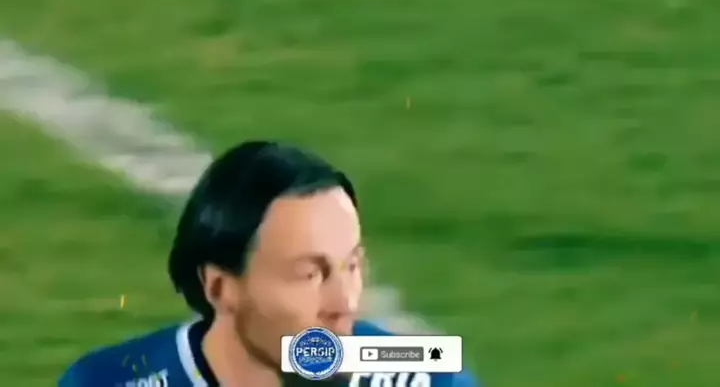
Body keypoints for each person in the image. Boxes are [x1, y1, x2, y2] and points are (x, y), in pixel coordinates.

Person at [58, 140, 480, 387]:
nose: (345, 303)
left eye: (351, 266)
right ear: (220, 288)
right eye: (310, 275)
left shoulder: (426, 375)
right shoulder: (107, 382)